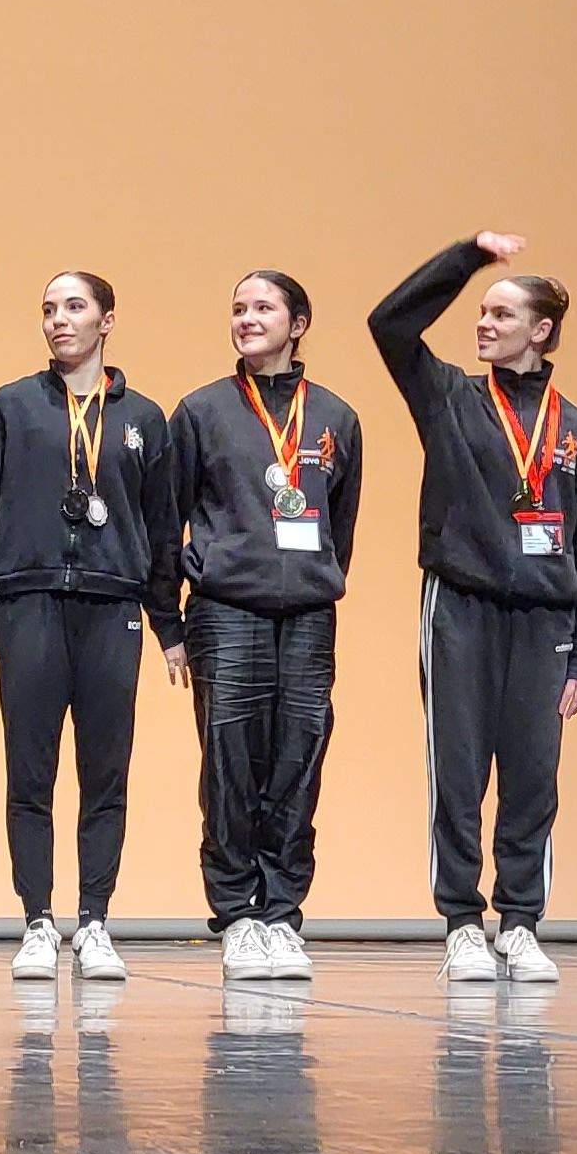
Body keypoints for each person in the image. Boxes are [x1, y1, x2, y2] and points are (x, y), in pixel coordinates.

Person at [367, 232, 577, 986]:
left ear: (540, 331)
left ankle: (523, 922)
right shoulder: (448, 396)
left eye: (501, 313)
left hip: (546, 621)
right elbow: (390, 323)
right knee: (460, 769)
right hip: (460, 607)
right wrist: (469, 256)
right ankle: (464, 923)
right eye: (480, 311)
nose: (483, 324)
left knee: (534, 774)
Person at [0, 272, 179, 984]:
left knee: (106, 774)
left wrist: (167, 621)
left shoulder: (144, 418)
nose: (57, 321)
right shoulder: (13, 406)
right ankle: (37, 921)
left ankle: (94, 921)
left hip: (112, 607)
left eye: (73, 307)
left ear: (107, 320)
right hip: (27, 602)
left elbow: (162, 526)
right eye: (47, 309)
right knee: (29, 773)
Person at [169, 269, 363, 981]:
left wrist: (312, 579)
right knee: (230, 766)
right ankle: (237, 915)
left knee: (298, 762)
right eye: (238, 309)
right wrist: (174, 616)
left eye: (263, 307)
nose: (248, 318)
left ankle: (282, 913)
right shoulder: (201, 411)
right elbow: (171, 520)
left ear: (298, 322)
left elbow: (340, 525)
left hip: (309, 615)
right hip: (226, 612)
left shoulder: (336, 417)